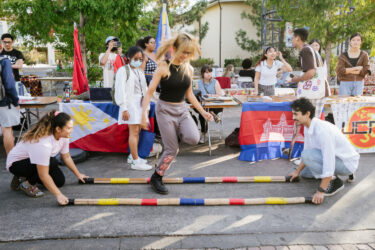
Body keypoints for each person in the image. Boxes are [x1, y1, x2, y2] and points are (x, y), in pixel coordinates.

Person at [140, 33, 213, 194]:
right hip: (165, 110)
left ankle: (173, 137)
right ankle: (157, 176)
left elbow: (190, 95)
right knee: (172, 150)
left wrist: (203, 112)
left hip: (182, 110)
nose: (185, 56)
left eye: (188, 53)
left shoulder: (189, 68)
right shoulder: (163, 67)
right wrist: (144, 115)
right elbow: (149, 92)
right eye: (183, 52)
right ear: (174, 49)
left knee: (193, 138)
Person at [6, 111, 88, 205]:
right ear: (58, 129)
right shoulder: (44, 143)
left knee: (59, 181)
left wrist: (78, 174)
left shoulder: (64, 136)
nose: (71, 130)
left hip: (34, 160)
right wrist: (59, 195)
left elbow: (66, 157)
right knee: (51, 162)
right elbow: (43, 175)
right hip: (16, 164)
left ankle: (24, 178)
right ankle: (27, 184)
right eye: (69, 128)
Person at [288, 98, 359, 205]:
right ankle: (334, 175)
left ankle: (335, 181)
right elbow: (307, 149)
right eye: (293, 114)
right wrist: (297, 172)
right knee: (305, 173)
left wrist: (321, 191)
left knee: (307, 156)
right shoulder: (308, 126)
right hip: (341, 157)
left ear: (307, 114)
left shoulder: (322, 131)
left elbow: (328, 161)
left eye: (296, 114)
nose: (293, 118)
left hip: (346, 164)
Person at [115, 46, 152, 171]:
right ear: (129, 58)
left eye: (140, 59)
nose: (138, 61)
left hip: (140, 105)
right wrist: (124, 108)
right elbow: (121, 91)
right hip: (130, 105)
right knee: (134, 132)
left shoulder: (139, 71)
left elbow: (144, 89)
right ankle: (135, 161)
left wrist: (146, 106)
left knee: (138, 131)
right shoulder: (123, 71)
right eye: (136, 58)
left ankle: (133, 156)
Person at [197, 64, 224, 143]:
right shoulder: (200, 82)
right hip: (205, 105)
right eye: (206, 72)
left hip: (216, 104)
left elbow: (219, 94)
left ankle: (203, 134)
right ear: (202, 74)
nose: (209, 74)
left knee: (203, 113)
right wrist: (210, 96)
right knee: (202, 113)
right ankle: (212, 114)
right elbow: (202, 94)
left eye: (210, 72)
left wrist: (211, 96)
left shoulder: (215, 81)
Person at [0, 56, 20, 155]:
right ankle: (11, 159)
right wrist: (16, 101)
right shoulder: (4, 61)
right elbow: (9, 84)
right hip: (4, 101)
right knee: (7, 129)